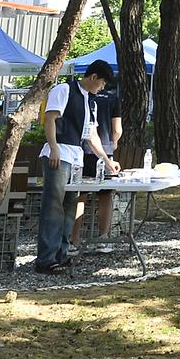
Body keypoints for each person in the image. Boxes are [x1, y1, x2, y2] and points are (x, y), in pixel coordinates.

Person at [35, 60, 118, 274]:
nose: (101, 88)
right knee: (53, 205)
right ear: (93, 77)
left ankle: (62, 253)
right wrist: (53, 147)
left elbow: (91, 135)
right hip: (59, 153)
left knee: (70, 206)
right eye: (101, 84)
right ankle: (46, 258)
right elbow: (50, 118)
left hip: (76, 158)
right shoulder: (64, 89)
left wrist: (107, 161)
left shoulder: (92, 102)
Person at [70, 79, 123, 251]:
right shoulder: (113, 99)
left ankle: (74, 239)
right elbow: (117, 129)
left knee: (80, 195)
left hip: (81, 150)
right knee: (106, 195)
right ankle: (103, 237)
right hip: (105, 151)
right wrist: (114, 143)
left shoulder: (85, 96)